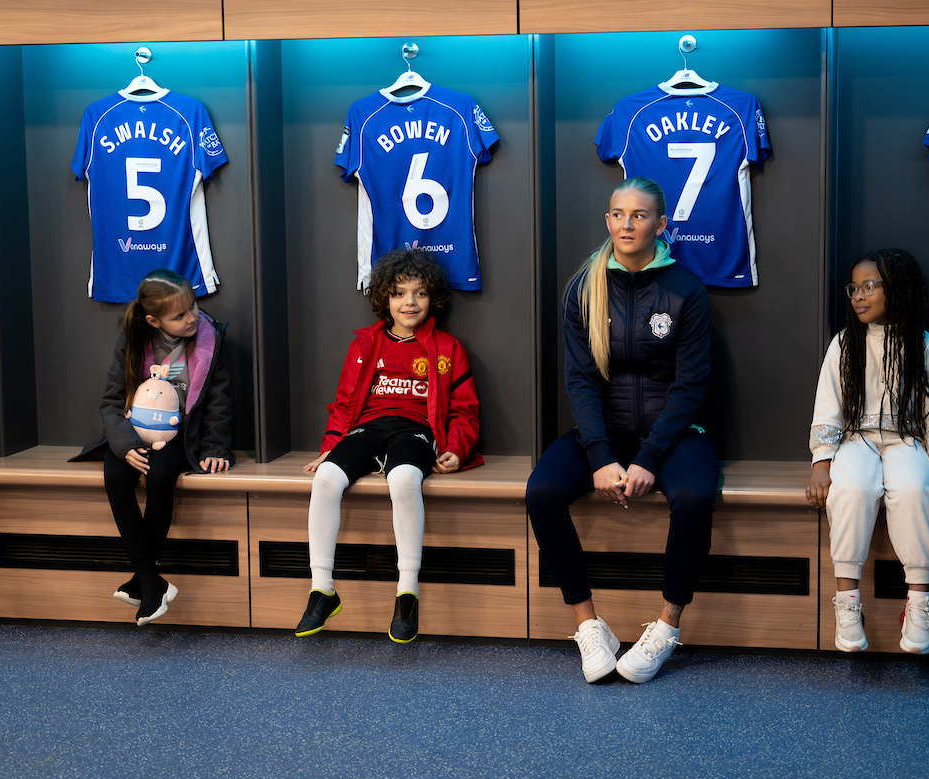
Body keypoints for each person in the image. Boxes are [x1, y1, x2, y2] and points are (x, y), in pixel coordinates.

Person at [526, 176, 716, 684]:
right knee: (541, 491)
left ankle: (667, 626)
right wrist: (600, 456)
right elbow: (580, 382)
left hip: (673, 434)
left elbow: (690, 385)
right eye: (616, 214)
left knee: (697, 497)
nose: (625, 224)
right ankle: (589, 626)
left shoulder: (685, 289)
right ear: (607, 220)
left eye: (637, 215)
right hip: (604, 434)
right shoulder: (582, 288)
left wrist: (650, 457)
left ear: (661, 224)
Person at [296, 249, 481, 642]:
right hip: (367, 428)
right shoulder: (365, 343)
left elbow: (465, 411)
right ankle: (322, 589)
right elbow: (344, 401)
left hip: (415, 431)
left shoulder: (448, 348)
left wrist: (458, 450)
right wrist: (331, 445)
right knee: (326, 477)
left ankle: (407, 592)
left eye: (419, 293)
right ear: (385, 298)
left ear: (434, 299)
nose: (409, 302)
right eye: (399, 293)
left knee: (404, 480)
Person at [805, 248, 929, 655]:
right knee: (851, 489)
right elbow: (829, 407)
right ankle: (848, 603)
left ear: (900, 289)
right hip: (855, 439)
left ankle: (919, 602)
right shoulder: (845, 344)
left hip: (907, 439)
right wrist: (822, 464)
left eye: (869, 286)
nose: (858, 295)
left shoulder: (926, 347)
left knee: (914, 490)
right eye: (854, 288)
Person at [73, 269, 233, 625]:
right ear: (152, 319)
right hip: (134, 431)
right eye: (179, 315)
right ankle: (151, 580)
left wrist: (216, 448)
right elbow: (112, 403)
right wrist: (126, 443)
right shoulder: (131, 340)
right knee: (115, 475)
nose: (192, 318)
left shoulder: (210, 339)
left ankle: (142, 580)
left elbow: (219, 402)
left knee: (160, 475)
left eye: (192, 307)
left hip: (181, 434)